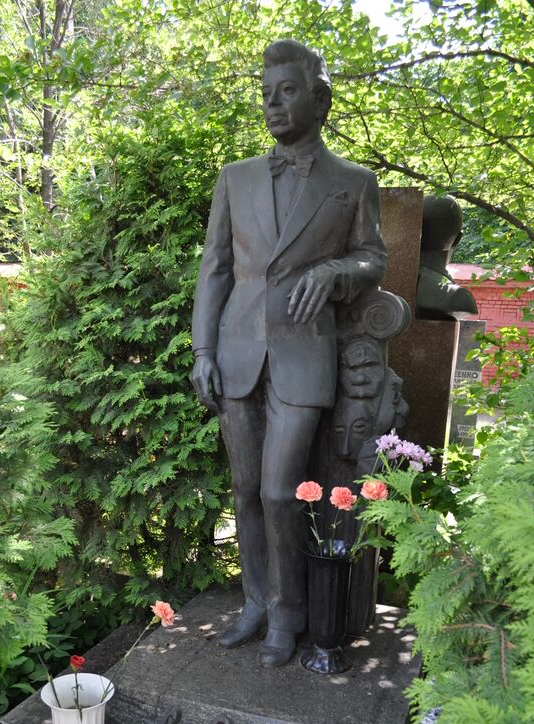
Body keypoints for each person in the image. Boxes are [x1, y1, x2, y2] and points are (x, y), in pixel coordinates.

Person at [191, 39, 386, 668]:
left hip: (305, 357)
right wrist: (202, 348)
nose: (273, 103)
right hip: (238, 350)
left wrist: (334, 272)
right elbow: (215, 269)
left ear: (321, 101)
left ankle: (288, 612)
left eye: (288, 91)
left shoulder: (352, 183)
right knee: (246, 489)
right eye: (266, 93)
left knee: (280, 491)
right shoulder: (236, 177)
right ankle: (254, 602)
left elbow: (373, 259)